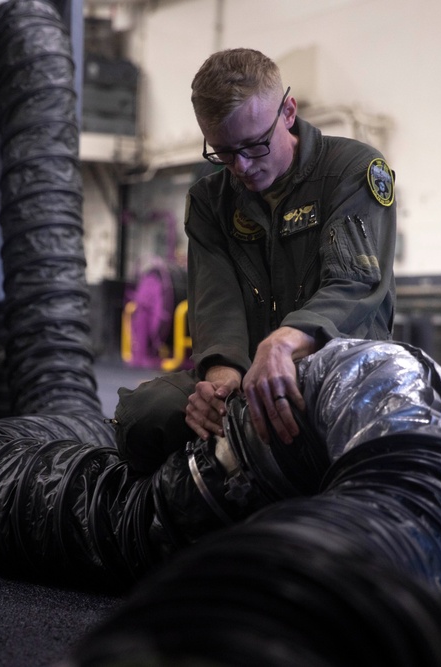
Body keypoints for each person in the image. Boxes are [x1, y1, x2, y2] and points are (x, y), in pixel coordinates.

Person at [114, 47, 397, 473]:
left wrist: (283, 342)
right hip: (248, 378)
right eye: (224, 153)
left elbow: (353, 283)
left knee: (314, 425)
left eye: (254, 145)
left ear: (287, 111)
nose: (242, 166)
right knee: (143, 415)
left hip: (337, 370)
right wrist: (221, 382)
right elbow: (216, 304)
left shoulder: (351, 169)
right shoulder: (210, 202)